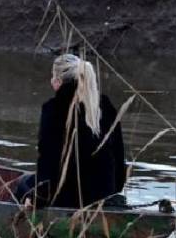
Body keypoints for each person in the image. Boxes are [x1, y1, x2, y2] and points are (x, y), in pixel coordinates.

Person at [14, 53, 127, 208]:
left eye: (53, 76)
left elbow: (48, 161)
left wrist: (36, 199)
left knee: (21, 184)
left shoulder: (54, 109)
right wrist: (112, 193)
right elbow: (119, 161)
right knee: (27, 180)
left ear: (58, 81)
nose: (51, 81)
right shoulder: (106, 106)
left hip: (68, 199)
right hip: (105, 197)